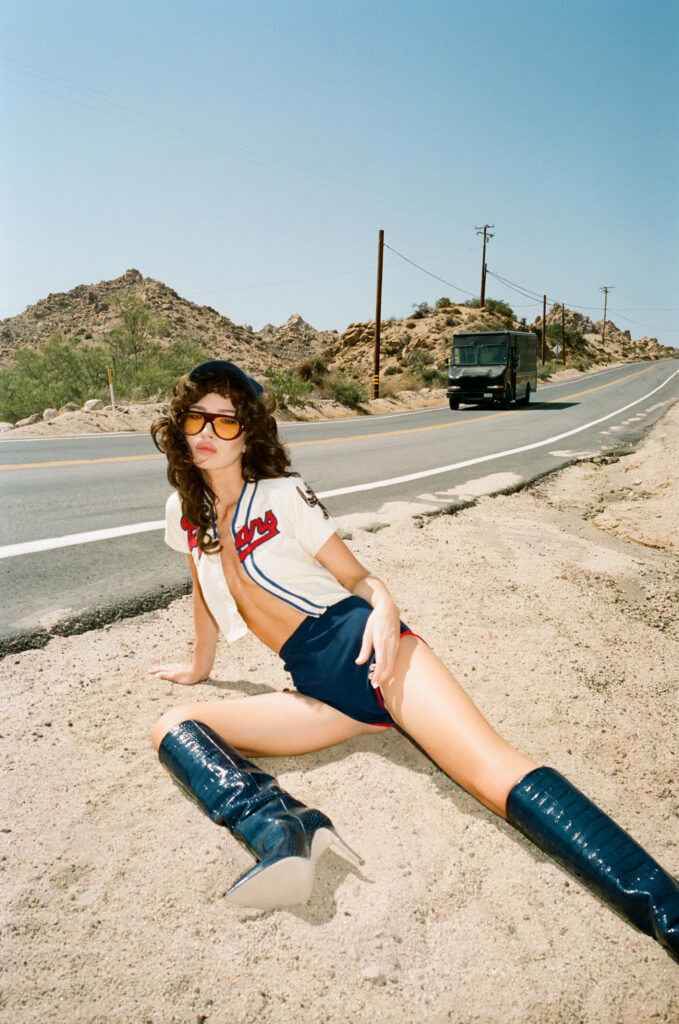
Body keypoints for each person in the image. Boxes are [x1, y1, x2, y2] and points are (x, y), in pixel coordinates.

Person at [149, 359, 678, 962]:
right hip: (318, 691)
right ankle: (282, 828)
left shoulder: (281, 494)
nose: (208, 433)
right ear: (180, 424)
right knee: (173, 725)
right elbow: (201, 589)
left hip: (368, 647)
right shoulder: (183, 511)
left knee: (491, 772)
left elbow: (358, 578)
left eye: (225, 421)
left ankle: (667, 910)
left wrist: (386, 608)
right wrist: (199, 664)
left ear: (248, 432)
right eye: (196, 418)